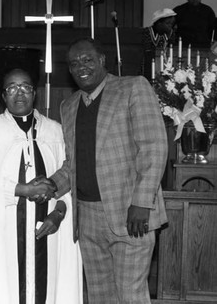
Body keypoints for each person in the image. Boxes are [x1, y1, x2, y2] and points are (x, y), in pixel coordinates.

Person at [48, 38, 168, 303]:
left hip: (131, 214)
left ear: (102, 60)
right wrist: (50, 184)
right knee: (101, 297)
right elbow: (72, 164)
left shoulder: (132, 87)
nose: (81, 66)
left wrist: (142, 202)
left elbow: (154, 147)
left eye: (87, 59)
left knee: (130, 295)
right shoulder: (68, 106)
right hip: (87, 218)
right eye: (74, 63)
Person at [0, 67, 83, 304]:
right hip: (3, 233)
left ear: (34, 93)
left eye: (26, 87)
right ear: (3, 95)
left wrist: (58, 213)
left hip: (49, 232)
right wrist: (21, 190)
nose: (20, 93)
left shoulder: (55, 132)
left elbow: (72, 179)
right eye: (12, 88)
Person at [141, 8, 177, 79]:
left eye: (171, 24)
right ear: (158, 23)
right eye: (167, 23)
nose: (170, 26)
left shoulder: (170, 34)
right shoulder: (147, 32)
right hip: (148, 67)